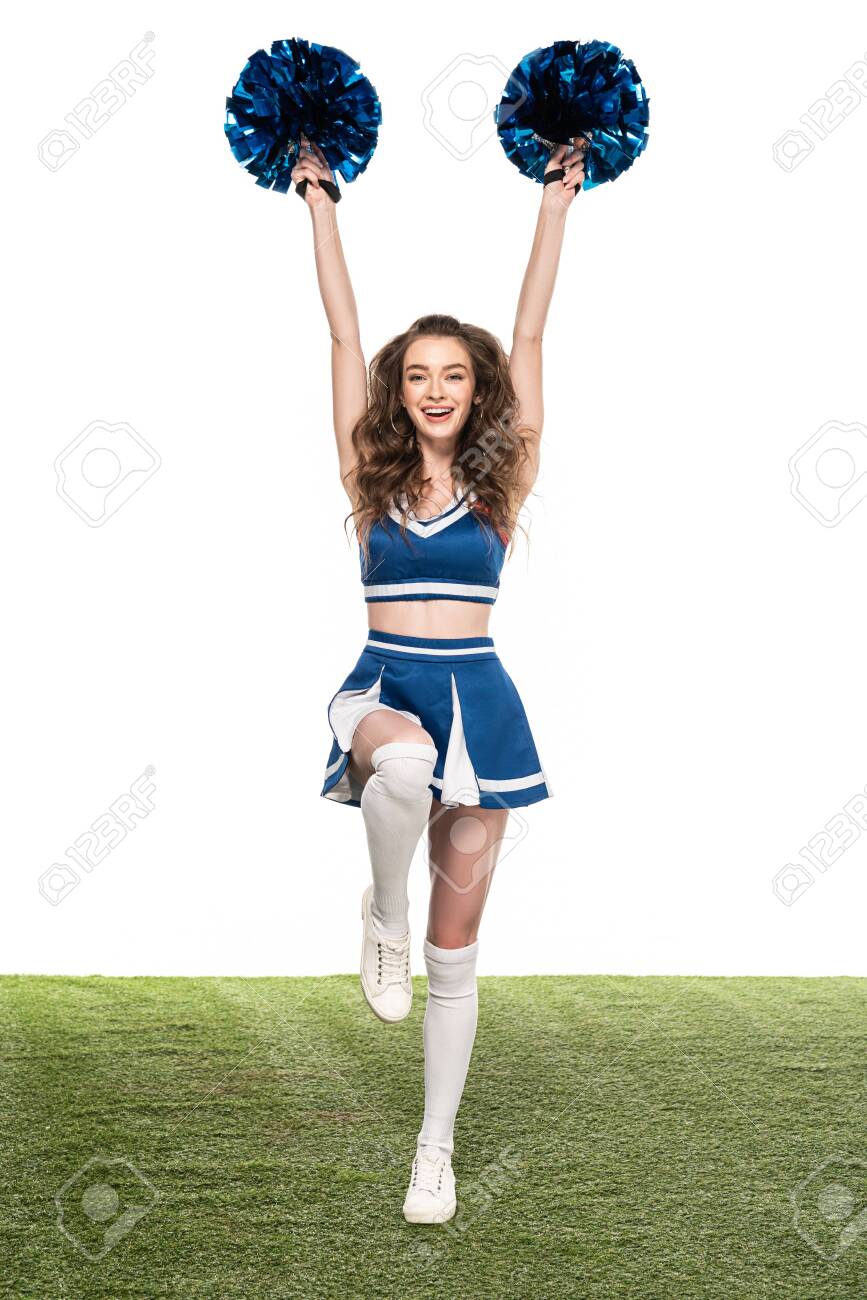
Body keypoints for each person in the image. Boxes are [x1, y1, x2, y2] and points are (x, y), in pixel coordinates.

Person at [291, 132, 587, 1224]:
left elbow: (533, 329)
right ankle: (382, 909)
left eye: (451, 375)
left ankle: (434, 1151)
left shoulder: (505, 479)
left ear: (477, 390)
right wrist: (319, 201)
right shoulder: (366, 472)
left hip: (485, 704)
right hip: (384, 683)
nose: (432, 389)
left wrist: (556, 206)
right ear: (398, 390)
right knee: (401, 763)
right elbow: (340, 330)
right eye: (416, 375)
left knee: (458, 959)